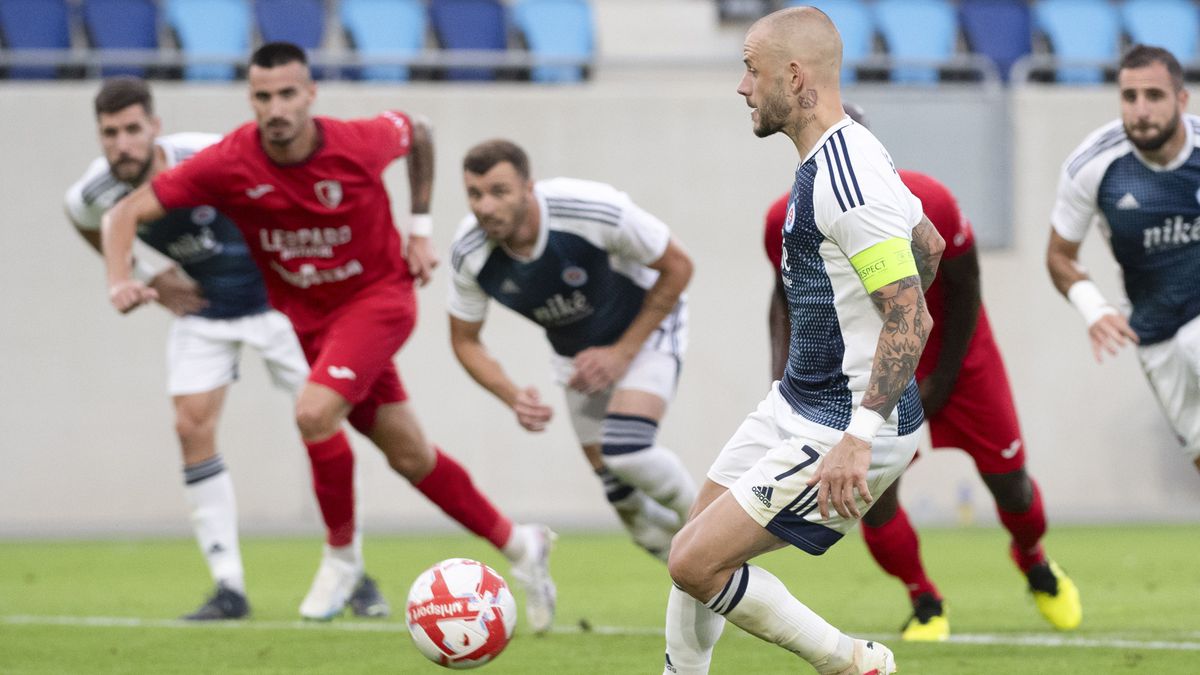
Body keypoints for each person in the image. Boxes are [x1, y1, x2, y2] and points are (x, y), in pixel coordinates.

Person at [98, 43, 556, 631]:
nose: (276, 108)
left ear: (310, 93)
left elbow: (418, 131)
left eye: (288, 94)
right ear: (251, 101)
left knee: (314, 413)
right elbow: (124, 213)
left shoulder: (358, 141)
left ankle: (341, 558)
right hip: (313, 322)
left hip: (378, 301)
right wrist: (119, 279)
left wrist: (419, 229)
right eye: (263, 97)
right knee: (411, 456)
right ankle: (522, 546)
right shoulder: (229, 161)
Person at [662, 8, 944, 674]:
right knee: (693, 548)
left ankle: (852, 663)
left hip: (844, 422)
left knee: (695, 563)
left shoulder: (847, 182)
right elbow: (925, 245)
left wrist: (861, 433)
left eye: (751, 71)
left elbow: (913, 320)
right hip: (799, 401)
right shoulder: (843, 152)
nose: (743, 88)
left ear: (795, 75)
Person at [65, 76, 388, 621]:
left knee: (325, 420)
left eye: (132, 130)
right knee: (190, 427)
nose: (122, 144)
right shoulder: (93, 193)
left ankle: (351, 569)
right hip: (207, 308)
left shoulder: (207, 155)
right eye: (110, 133)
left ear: (155, 127)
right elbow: (89, 223)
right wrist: (146, 276)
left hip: (279, 302)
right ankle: (229, 587)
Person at [764, 103, 1082, 639]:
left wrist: (946, 377)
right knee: (870, 493)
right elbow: (786, 301)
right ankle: (925, 600)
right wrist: (781, 383)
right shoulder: (787, 216)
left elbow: (966, 288)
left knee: (1012, 487)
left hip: (957, 352)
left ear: (870, 147)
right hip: (866, 366)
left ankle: (1034, 561)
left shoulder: (928, 201)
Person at [447, 139, 696, 563]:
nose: (485, 206)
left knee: (627, 450)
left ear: (530, 187)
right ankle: (698, 576)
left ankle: (709, 530)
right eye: (475, 194)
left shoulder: (592, 210)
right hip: (575, 358)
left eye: (499, 192)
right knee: (626, 504)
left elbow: (678, 267)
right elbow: (465, 340)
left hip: (645, 329)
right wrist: (512, 395)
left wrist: (620, 352)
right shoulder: (470, 253)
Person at [1047, 44, 1200, 481]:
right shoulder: (1092, 165)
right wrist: (1095, 310)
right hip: (1153, 331)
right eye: (1130, 97)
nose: (1141, 109)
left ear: (1182, 100)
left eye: (1154, 96)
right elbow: (1059, 256)